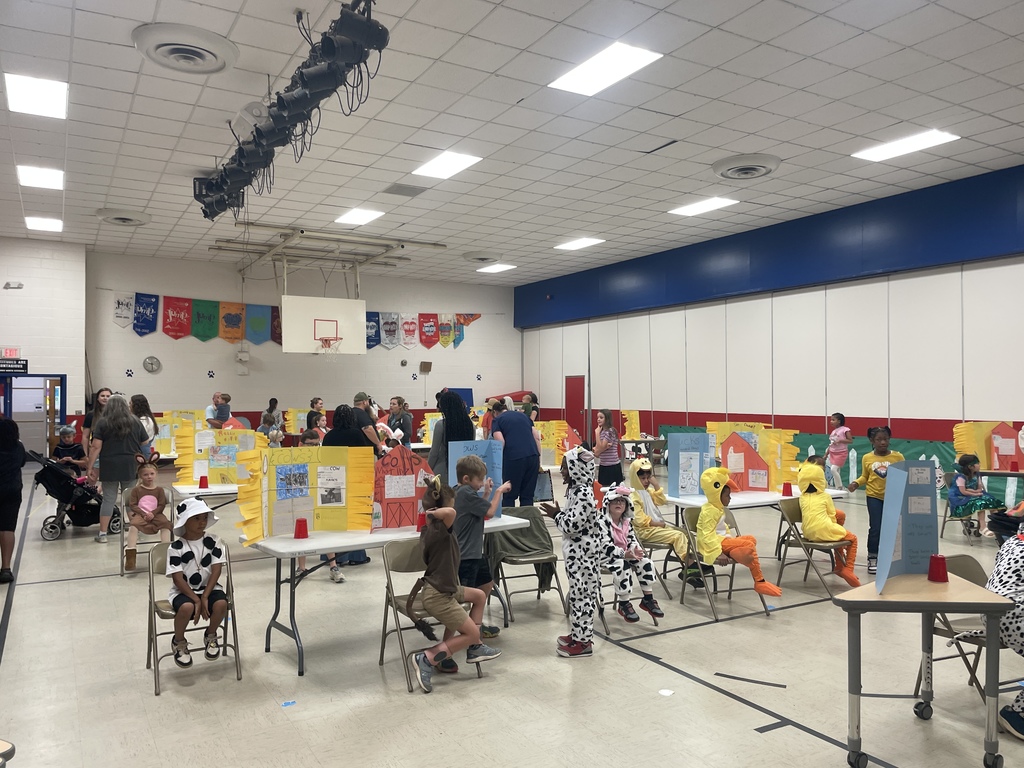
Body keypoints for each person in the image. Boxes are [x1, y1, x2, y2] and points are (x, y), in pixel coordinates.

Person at [409, 475, 502, 693]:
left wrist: (432, 511)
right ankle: (427, 658)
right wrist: (433, 513)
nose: (455, 510)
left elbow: (449, 512)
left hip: (445, 588)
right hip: (438, 595)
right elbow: (450, 513)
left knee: (479, 595)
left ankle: (475, 648)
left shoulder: (433, 529)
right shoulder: (439, 529)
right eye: (453, 504)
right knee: (471, 633)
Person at [540, 447, 610, 658]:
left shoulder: (583, 494)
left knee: (583, 598)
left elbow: (571, 526)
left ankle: (584, 643)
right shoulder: (576, 491)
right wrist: (560, 514)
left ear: (576, 468)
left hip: (583, 557)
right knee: (577, 597)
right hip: (576, 557)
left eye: (565, 467)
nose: (562, 471)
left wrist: (556, 515)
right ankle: (578, 634)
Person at [444, 455, 510, 672]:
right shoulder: (465, 493)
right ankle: (446, 650)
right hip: (466, 557)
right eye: (479, 480)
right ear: (466, 479)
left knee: (487, 585)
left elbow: (480, 511)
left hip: (475, 554)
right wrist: (498, 492)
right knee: (458, 605)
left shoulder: (464, 492)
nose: (482, 483)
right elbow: (489, 512)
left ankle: (475, 633)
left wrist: (487, 493)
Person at [696, 466, 782, 597]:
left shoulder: (717, 508)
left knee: (751, 539)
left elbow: (722, 528)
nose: (730, 498)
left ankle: (734, 552)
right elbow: (706, 535)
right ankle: (759, 581)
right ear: (717, 493)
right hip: (714, 545)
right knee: (748, 545)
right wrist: (718, 553)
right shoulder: (710, 511)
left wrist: (731, 539)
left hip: (722, 541)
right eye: (727, 495)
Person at [166, 497, 229, 669]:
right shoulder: (176, 547)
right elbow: (177, 578)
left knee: (221, 604)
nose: (202, 522)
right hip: (184, 591)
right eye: (196, 518)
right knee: (186, 608)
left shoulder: (214, 541)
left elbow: (217, 569)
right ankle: (179, 641)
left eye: (204, 518)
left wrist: (205, 596)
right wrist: (196, 599)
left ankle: (211, 634)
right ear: (185, 521)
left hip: (209, 588)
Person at [628, 457, 703, 587]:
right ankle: (691, 566)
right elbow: (639, 521)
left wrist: (656, 485)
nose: (646, 481)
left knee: (687, 534)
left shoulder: (647, 492)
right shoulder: (633, 496)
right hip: (644, 531)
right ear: (635, 478)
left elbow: (661, 501)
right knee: (678, 536)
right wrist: (659, 524)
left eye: (648, 478)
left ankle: (688, 566)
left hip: (656, 527)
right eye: (642, 478)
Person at [86, 394, 149, 543]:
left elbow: (95, 447)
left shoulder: (103, 422)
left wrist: (90, 467)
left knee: (108, 499)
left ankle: (102, 534)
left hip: (109, 465)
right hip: (130, 464)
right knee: (130, 500)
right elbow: (145, 442)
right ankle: (135, 532)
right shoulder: (135, 421)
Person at [848, 426, 905, 575]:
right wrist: (856, 483)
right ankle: (873, 557)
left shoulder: (898, 457)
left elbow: (904, 475)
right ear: (871, 441)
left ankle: (892, 557)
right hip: (874, 496)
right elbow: (865, 476)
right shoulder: (867, 457)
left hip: (893, 497)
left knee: (893, 528)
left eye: (885, 439)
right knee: (876, 528)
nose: (883, 442)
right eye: (879, 439)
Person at [602, 485, 664, 622]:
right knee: (623, 566)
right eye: (615, 501)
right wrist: (624, 554)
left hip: (625, 554)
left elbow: (631, 539)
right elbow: (604, 546)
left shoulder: (626, 521)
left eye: (622, 501)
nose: (619, 503)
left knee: (646, 562)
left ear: (627, 505)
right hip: (605, 556)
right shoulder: (601, 522)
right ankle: (624, 603)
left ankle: (648, 599)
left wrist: (635, 549)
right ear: (608, 503)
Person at [320, 406, 371, 570]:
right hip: (354, 480)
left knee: (334, 519)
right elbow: (364, 458)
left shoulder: (329, 436)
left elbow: (323, 459)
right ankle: (356, 556)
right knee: (354, 520)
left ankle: (333, 557)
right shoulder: (356, 434)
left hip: (333, 480)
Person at [797, 460, 860, 588]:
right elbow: (831, 515)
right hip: (824, 529)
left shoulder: (802, 497)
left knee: (838, 533)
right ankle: (848, 569)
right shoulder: (825, 496)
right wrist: (834, 528)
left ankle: (839, 566)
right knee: (852, 539)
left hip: (807, 533)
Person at [124, 453, 172, 571]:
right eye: (145, 474)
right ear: (140, 476)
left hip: (156, 515)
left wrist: (153, 513)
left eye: (151, 474)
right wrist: (144, 514)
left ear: (156, 474)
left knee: (166, 525)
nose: (149, 477)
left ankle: (165, 555)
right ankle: (131, 557)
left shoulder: (159, 490)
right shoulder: (136, 490)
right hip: (141, 515)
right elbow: (133, 505)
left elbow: (161, 505)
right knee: (133, 526)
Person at [490, 399, 541, 507]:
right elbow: (536, 437)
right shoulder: (524, 416)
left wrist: (496, 463)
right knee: (527, 495)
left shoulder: (497, 420)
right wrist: (538, 458)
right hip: (533, 456)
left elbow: (500, 442)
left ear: (494, 412)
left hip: (513, 458)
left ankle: (510, 516)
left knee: (509, 494)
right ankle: (527, 516)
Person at [948, 453, 1005, 538]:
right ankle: (982, 527)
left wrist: (975, 492)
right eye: (977, 463)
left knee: (991, 501)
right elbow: (963, 491)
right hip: (960, 499)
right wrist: (974, 493)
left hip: (972, 495)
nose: (979, 465)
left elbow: (979, 488)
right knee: (980, 503)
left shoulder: (977, 475)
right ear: (970, 466)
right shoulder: (961, 477)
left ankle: (997, 525)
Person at [427, 391, 475, 483]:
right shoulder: (470, 425)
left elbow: (434, 453)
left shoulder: (441, 425)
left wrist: (427, 469)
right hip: (463, 472)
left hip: (443, 471)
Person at [0, 418, 26, 584]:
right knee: (7, 528)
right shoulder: (18, 447)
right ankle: (6, 569)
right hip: (12, 490)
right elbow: (22, 462)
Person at [594, 409, 624, 487]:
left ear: (607, 419)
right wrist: (602, 448)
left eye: (601, 417)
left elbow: (599, 447)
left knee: (613, 490)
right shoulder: (602, 432)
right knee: (603, 488)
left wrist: (597, 433)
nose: (598, 419)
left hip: (612, 465)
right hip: (603, 464)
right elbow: (596, 452)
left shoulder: (610, 431)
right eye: (598, 417)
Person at [826, 412, 852, 489]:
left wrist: (840, 440)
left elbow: (850, 440)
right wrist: (826, 454)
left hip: (841, 453)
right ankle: (837, 487)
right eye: (831, 420)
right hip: (833, 452)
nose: (831, 421)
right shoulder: (833, 432)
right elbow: (831, 444)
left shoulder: (845, 430)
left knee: (833, 469)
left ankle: (840, 486)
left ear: (839, 421)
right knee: (836, 470)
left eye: (833, 420)